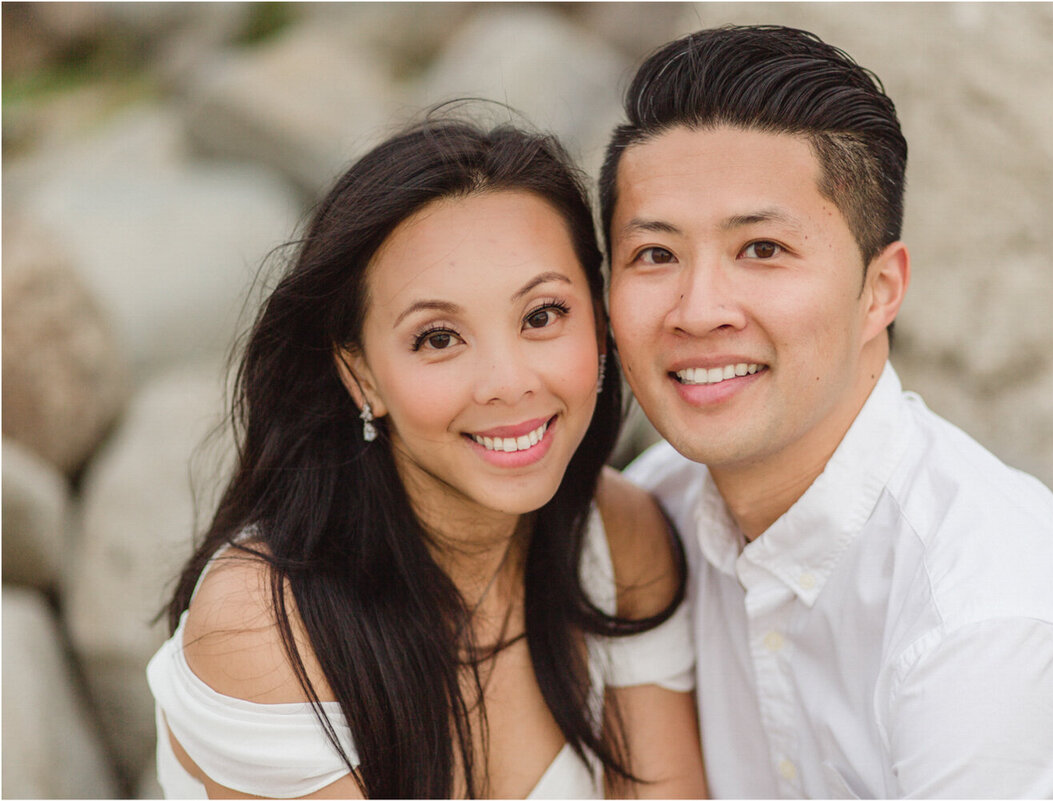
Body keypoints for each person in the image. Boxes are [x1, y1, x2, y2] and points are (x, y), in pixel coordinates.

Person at [600, 24, 1053, 799]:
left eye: (763, 249)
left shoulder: (985, 611)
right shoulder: (656, 510)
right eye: (655, 255)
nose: (699, 309)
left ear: (881, 290)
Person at [146, 115, 707, 799]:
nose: (508, 381)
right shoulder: (266, 626)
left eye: (541, 315)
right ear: (362, 375)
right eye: (438, 337)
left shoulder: (620, 538)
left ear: (599, 319)